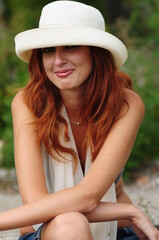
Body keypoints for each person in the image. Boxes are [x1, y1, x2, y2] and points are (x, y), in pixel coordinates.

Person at [0, 1, 159, 240]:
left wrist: (130, 215)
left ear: (95, 51)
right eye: (48, 50)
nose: (58, 60)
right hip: (49, 233)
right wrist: (129, 210)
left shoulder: (125, 104)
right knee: (70, 224)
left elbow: (89, 195)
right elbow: (36, 205)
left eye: (70, 46)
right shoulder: (28, 103)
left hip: (119, 233)